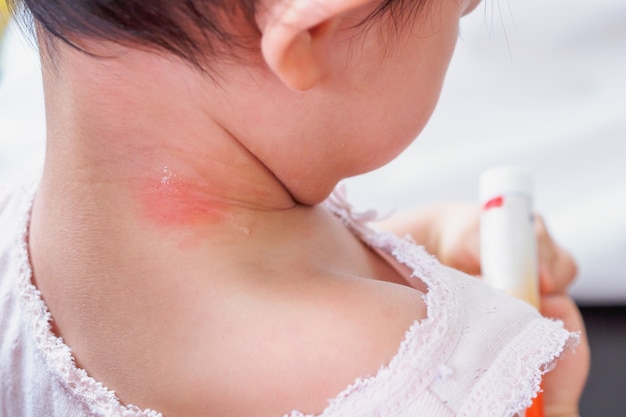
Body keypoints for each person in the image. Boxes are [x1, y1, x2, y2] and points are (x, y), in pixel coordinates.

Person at [0, 1, 588, 417]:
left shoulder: (25, 233)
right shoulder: (443, 378)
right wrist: (539, 402)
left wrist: (418, 244)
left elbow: (253, 285)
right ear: (312, 28)